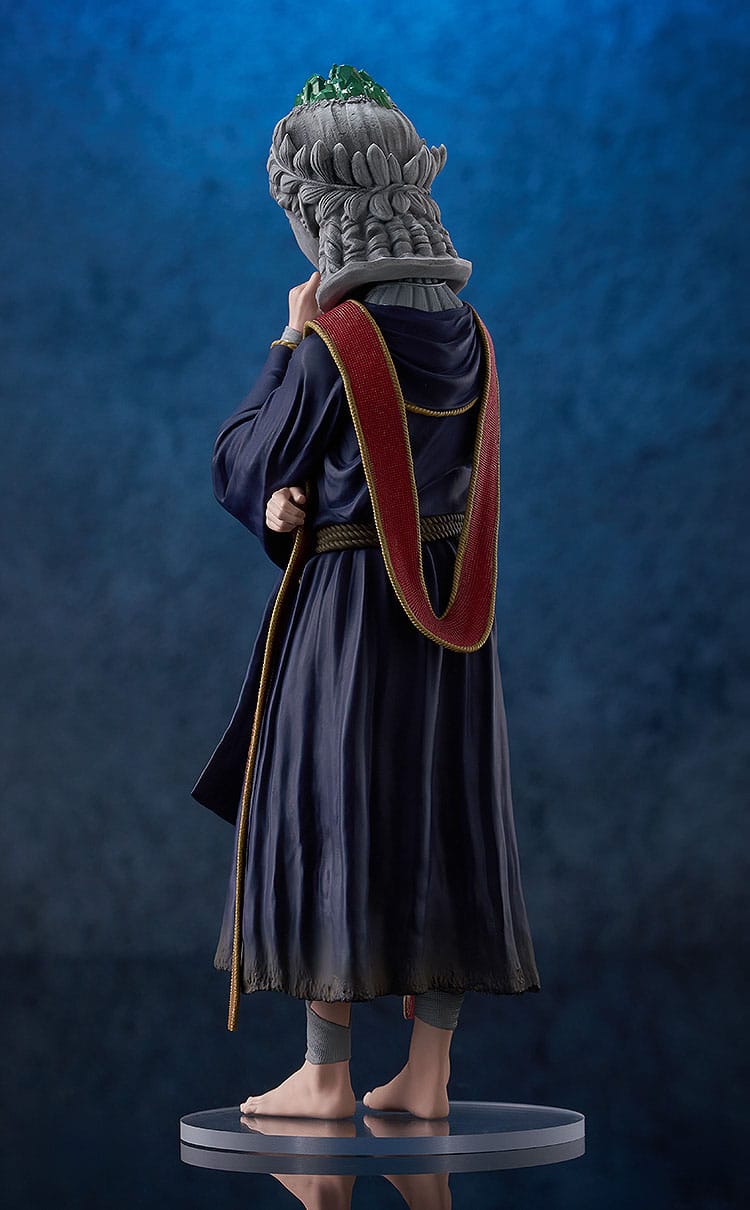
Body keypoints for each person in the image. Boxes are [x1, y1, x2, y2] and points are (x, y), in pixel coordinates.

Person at [191, 64, 541, 1121]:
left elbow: (244, 461)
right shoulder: (470, 335)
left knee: (330, 808)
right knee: (442, 813)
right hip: (448, 614)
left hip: (349, 608)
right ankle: (428, 1076)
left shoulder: (335, 343)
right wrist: (301, 497)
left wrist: (287, 340)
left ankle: (326, 1074)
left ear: (321, 210)